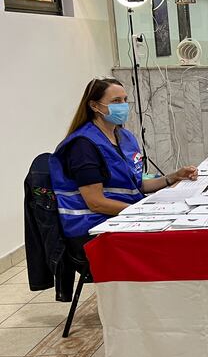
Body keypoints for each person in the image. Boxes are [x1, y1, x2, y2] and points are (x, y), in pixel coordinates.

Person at [49, 78, 198, 245]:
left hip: (121, 215)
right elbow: (96, 203)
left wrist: (173, 177)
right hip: (92, 225)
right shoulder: (83, 146)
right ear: (95, 106)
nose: (123, 106)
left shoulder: (124, 137)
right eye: (116, 101)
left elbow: (136, 185)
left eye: (125, 100)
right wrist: (142, 211)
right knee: (168, 243)